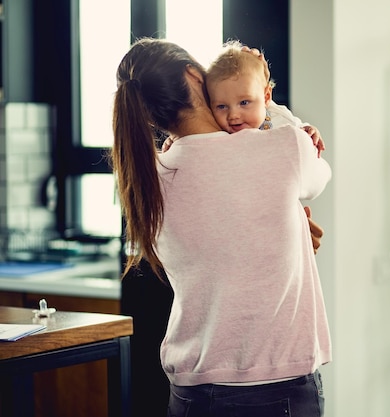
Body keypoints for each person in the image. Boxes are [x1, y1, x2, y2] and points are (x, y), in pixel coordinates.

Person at [111, 37, 332, 417]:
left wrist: (290, 229)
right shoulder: (283, 147)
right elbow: (318, 172)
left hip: (190, 391)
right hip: (274, 386)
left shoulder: (151, 178)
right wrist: (266, 97)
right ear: (195, 76)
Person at [204, 40, 325, 156]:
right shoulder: (217, 130)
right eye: (222, 106)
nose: (233, 115)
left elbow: (303, 136)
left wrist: (310, 132)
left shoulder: (280, 118)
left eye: (244, 102)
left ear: (267, 97)